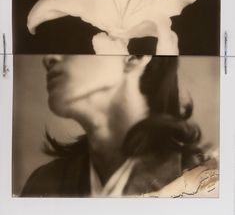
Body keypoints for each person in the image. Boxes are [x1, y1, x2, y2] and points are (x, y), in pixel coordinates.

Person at [21, 54, 218, 197]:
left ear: (135, 55)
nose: (48, 58)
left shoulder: (208, 185)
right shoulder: (42, 184)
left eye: (72, 38)